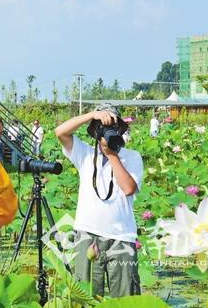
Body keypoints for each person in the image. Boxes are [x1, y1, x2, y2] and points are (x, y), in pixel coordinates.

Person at [55, 104, 143, 298]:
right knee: (85, 297)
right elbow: (60, 132)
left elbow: (128, 188)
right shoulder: (85, 153)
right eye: (102, 127)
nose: (108, 131)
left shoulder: (132, 157)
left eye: (113, 126)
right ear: (95, 131)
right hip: (87, 234)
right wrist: (92, 115)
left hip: (122, 238)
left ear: (121, 130)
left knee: (125, 299)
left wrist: (112, 155)